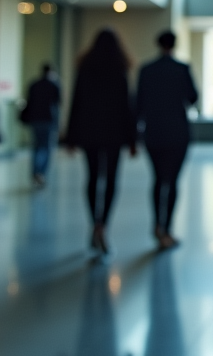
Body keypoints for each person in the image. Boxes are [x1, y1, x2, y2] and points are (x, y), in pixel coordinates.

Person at [66, 29, 137, 255]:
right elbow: (127, 106)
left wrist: (70, 136)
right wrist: (133, 139)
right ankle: (103, 224)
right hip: (114, 134)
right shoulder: (120, 68)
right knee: (111, 179)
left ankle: (94, 222)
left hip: (90, 132)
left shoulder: (85, 67)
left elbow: (76, 101)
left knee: (93, 177)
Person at [135, 31, 199, 250]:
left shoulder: (146, 70)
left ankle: (157, 224)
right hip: (177, 132)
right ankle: (167, 228)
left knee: (157, 179)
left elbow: (139, 104)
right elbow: (193, 97)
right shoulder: (181, 69)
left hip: (154, 132)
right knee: (171, 181)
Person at [23, 63, 62, 187]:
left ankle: (35, 172)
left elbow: (28, 100)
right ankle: (41, 173)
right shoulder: (54, 85)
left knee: (36, 147)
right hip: (48, 120)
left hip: (35, 119)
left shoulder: (34, 84)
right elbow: (58, 102)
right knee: (46, 147)